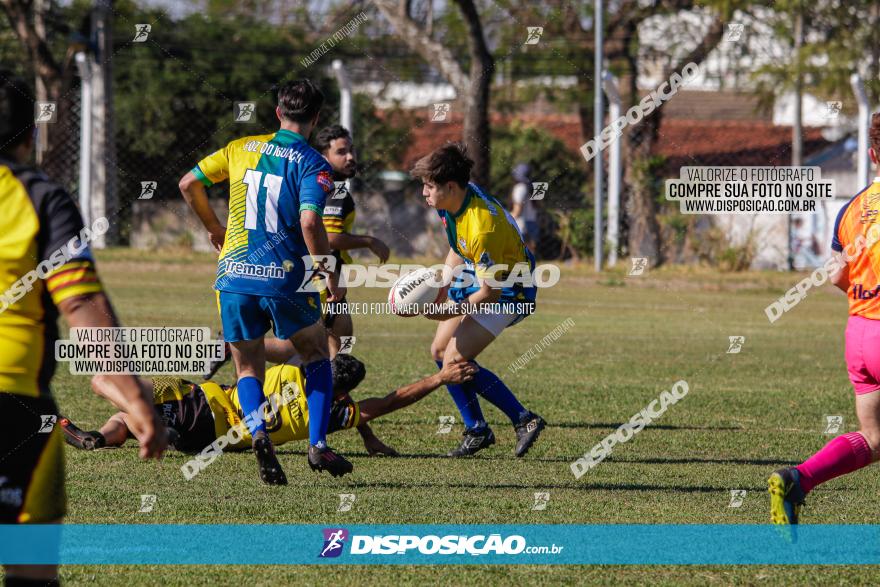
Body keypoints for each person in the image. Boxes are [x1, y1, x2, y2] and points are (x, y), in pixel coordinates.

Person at [0, 70, 166, 586]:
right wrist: (135, 395)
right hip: (13, 405)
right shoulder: (39, 196)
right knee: (30, 571)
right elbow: (82, 303)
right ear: (31, 135)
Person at [178, 79, 350, 483]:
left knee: (248, 367)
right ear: (316, 118)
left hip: (235, 273)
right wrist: (327, 270)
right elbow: (310, 220)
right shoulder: (313, 163)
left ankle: (258, 435)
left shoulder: (241, 147)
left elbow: (189, 183)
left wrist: (214, 228)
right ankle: (318, 445)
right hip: (286, 278)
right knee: (316, 356)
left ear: (278, 113)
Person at [768, 112, 880, 525]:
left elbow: (836, 274)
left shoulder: (853, 208)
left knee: (874, 438)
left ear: (872, 155)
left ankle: (799, 478)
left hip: (860, 335)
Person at [61, 357, 477, 463]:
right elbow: (389, 402)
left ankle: (143, 422)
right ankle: (104, 435)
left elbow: (261, 351)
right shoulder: (329, 415)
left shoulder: (292, 371)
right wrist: (439, 378)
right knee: (121, 419)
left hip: (200, 399)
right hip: (207, 442)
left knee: (107, 380)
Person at [409, 143, 545, 457]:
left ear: (451, 186)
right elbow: (459, 246)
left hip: (511, 289)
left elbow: (490, 292)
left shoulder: (483, 226)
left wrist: (448, 309)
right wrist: (442, 282)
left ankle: (524, 418)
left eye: (429, 187)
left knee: (455, 359)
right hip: (479, 275)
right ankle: (477, 429)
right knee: (440, 351)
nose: (424, 193)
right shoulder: (452, 202)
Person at [313, 124, 389, 356]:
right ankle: (233, 347)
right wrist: (369, 241)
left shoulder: (318, 183)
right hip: (318, 277)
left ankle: (337, 392)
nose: (350, 157)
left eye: (352, 151)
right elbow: (330, 238)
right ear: (324, 156)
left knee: (341, 343)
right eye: (341, 152)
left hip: (324, 275)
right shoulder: (335, 190)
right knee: (307, 348)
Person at [509, 163, 538, 252]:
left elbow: (517, 210)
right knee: (530, 252)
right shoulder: (536, 187)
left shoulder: (520, 188)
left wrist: (505, 218)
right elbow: (539, 206)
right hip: (533, 222)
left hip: (521, 224)